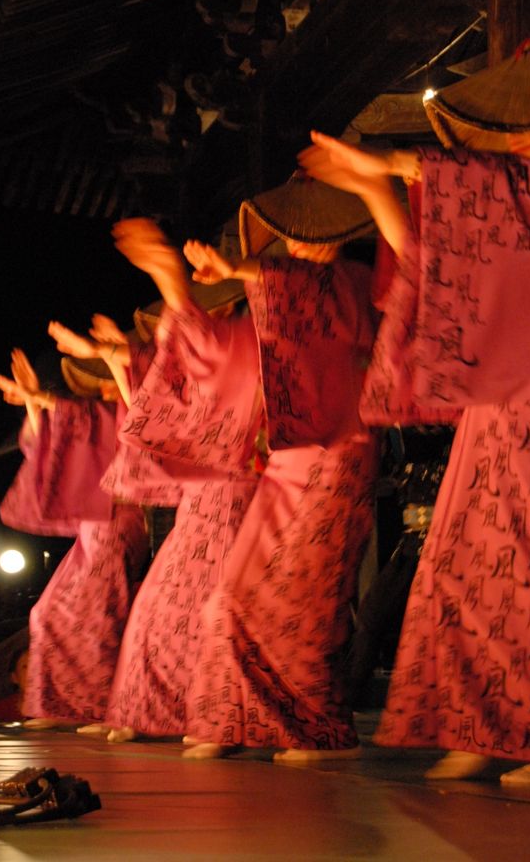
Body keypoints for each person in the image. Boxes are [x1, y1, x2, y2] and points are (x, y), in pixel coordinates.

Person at [297, 10, 530, 782]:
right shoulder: (510, 194)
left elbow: (520, 207)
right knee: (465, 559)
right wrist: (375, 182)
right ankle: (484, 721)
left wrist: (393, 166)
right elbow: (428, 261)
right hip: (505, 401)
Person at [180, 175, 381, 761]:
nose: (298, 244)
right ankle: (236, 718)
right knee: (233, 593)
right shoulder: (283, 289)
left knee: (304, 596)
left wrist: (238, 270)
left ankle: (319, 728)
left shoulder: (354, 282)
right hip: (289, 459)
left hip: (340, 453)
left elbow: (303, 288)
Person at [77, 219, 265, 743]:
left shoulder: (244, 343)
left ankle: (214, 716)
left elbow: (197, 342)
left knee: (207, 608)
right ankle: (150, 711)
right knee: (160, 605)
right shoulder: (211, 346)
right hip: (202, 498)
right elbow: (154, 392)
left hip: (236, 490)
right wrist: (118, 356)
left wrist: (168, 275)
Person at [0, 342, 149, 727]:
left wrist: (38, 398)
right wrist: (34, 403)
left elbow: (70, 421)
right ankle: (62, 705)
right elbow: (43, 442)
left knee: (96, 614)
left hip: (116, 521)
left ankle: (98, 706)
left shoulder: (114, 412)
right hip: (94, 528)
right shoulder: (92, 417)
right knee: (47, 612)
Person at [0, 648, 28, 722]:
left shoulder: (53, 708)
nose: (32, 672)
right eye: (25, 667)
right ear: (14, 677)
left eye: (36, 666)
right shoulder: (2, 708)